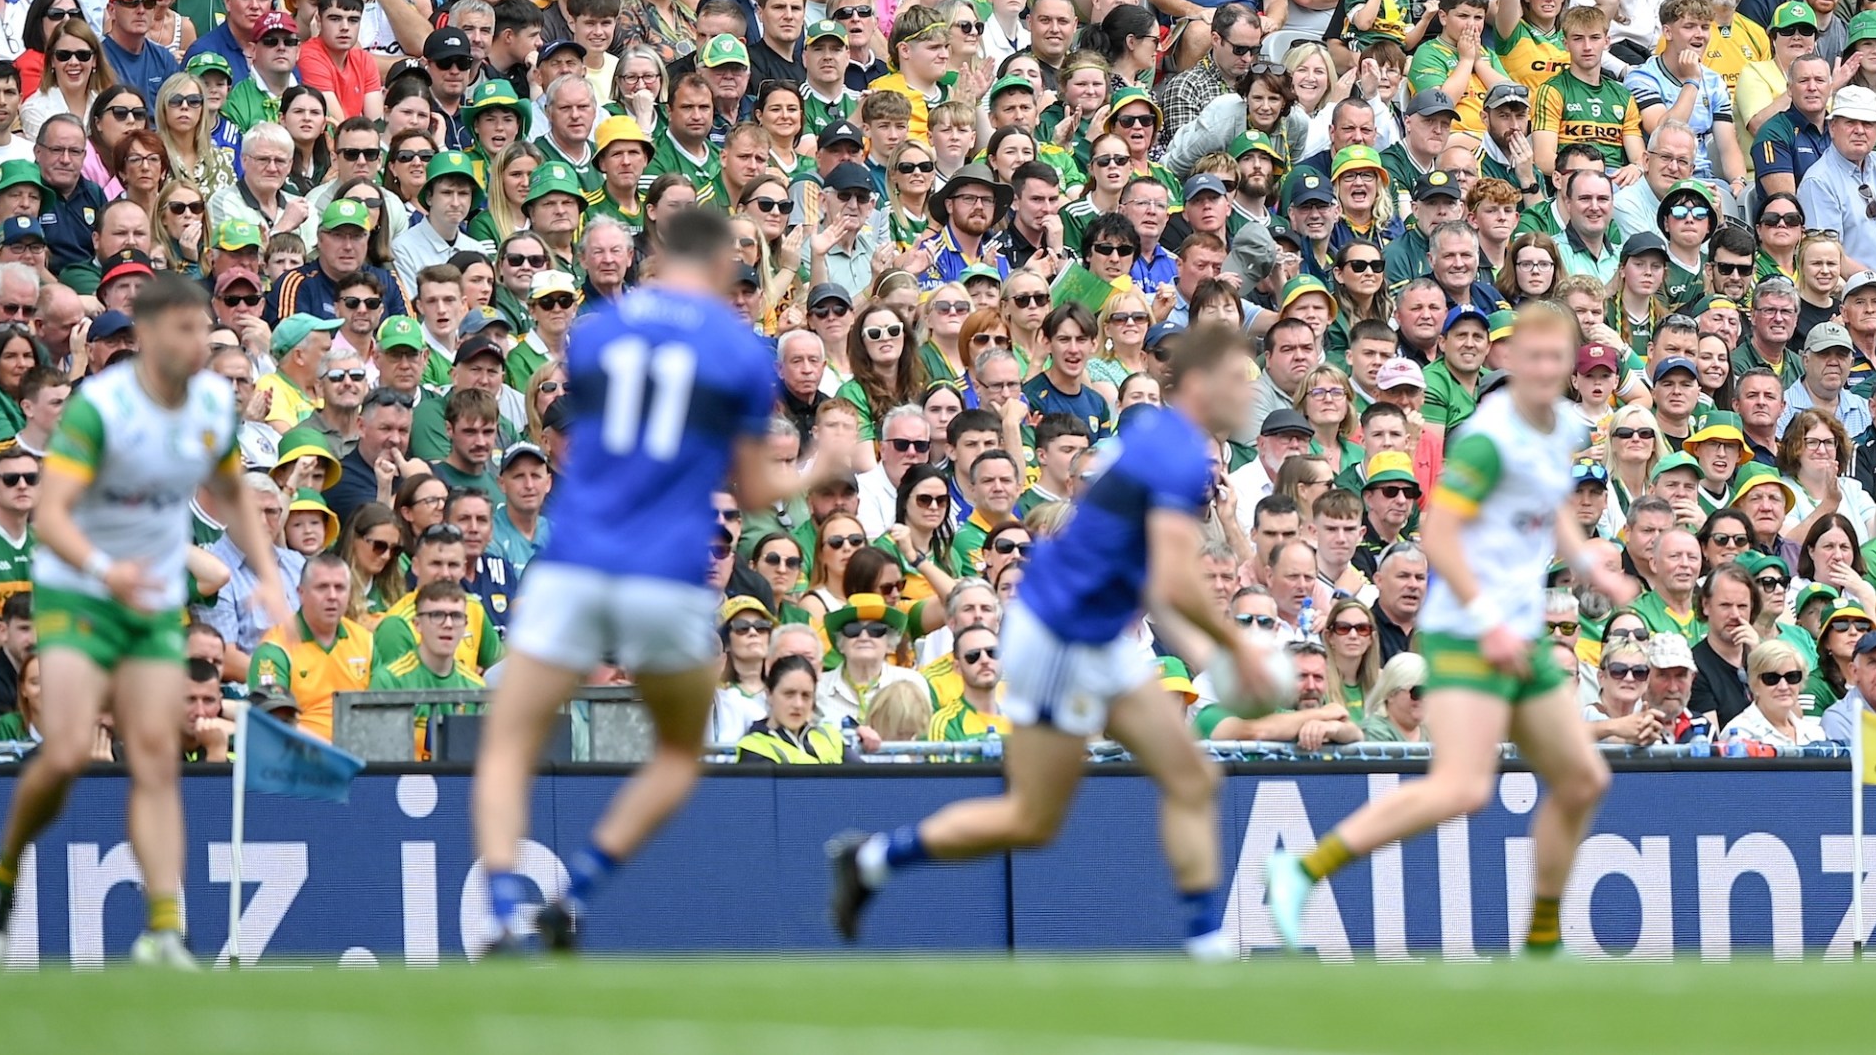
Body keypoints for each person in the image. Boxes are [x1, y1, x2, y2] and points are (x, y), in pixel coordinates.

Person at [827, 318, 1281, 957]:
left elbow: (1156, 578)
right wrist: (1234, 650)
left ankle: (1207, 943)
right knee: (1033, 819)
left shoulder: (1165, 440)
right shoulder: (1175, 451)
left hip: (1089, 633)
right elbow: (1176, 578)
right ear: (1203, 383)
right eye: (1240, 381)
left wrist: (1214, 646)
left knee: (1188, 779)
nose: (1249, 396)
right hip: (1062, 636)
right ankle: (871, 860)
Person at [1263, 301, 1639, 957]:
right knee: (1462, 788)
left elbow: (1547, 505)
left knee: (1583, 780)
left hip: (1517, 633)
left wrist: (1587, 563)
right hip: (1467, 631)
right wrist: (1490, 620)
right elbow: (1436, 532)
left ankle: (1542, 942)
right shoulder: (1490, 439)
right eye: (1535, 358)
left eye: (1559, 359)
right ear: (1512, 361)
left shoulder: (1559, 430)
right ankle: (1301, 870)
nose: (1547, 370)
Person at [469, 205, 793, 952]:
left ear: (653, 258)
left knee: (508, 743)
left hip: (579, 557)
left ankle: (501, 903)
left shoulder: (599, 335)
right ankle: (576, 887)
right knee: (681, 754)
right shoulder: (740, 355)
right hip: (666, 575)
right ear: (720, 267)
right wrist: (825, 467)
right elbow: (749, 487)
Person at [0, 272, 288, 969]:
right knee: (67, 750)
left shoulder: (207, 401)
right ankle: (3, 877)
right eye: (184, 330)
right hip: (80, 592)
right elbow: (49, 517)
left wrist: (266, 573)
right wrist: (106, 569)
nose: (199, 343)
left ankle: (164, 930)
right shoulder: (100, 410)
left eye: (204, 330)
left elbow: (231, 490)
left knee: (152, 757)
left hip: (149, 597)